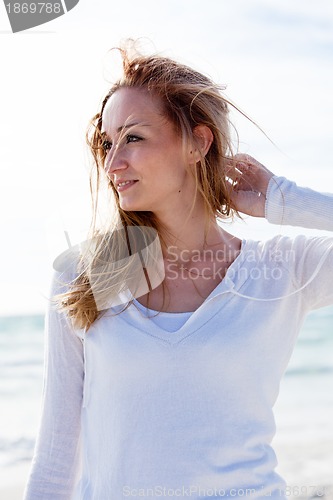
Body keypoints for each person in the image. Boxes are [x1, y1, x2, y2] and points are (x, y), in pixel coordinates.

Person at [24, 45, 333, 500]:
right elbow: (56, 455)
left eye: (132, 138)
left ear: (198, 143)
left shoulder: (283, 269)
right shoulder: (82, 275)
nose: (112, 164)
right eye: (108, 143)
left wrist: (281, 200)